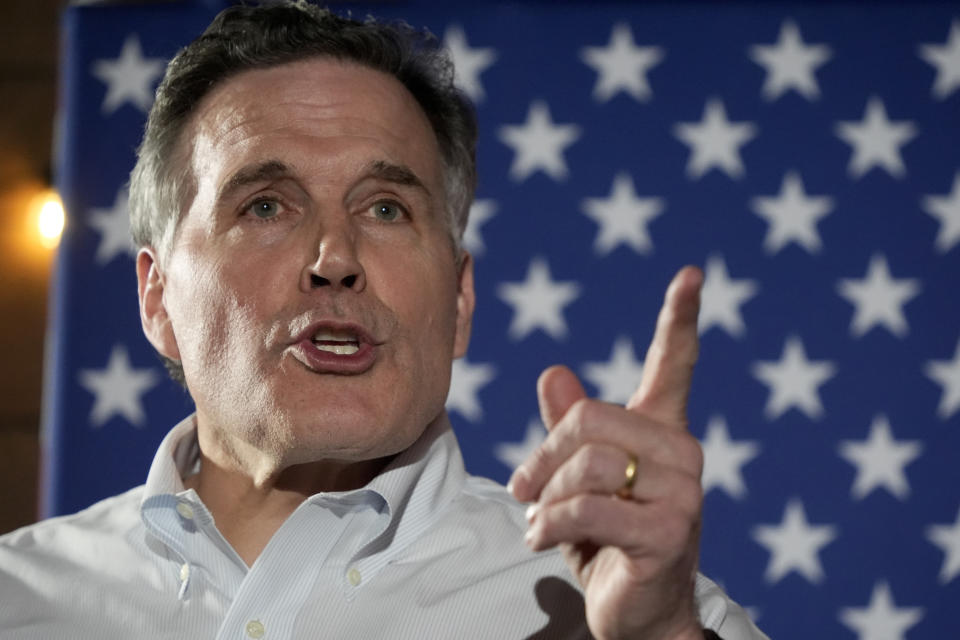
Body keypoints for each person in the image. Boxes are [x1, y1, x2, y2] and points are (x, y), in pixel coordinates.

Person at [0, 3, 767, 639]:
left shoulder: (640, 610)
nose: (336, 256)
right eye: (266, 204)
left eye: (386, 208)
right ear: (158, 298)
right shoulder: (18, 597)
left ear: (460, 302)